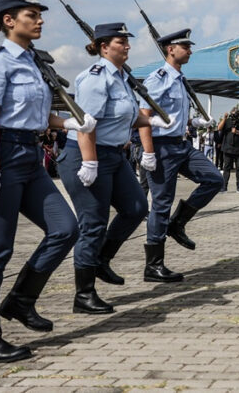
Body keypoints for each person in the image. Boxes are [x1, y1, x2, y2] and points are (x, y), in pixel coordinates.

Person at [0, 0, 95, 363]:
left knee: (66, 229)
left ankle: (21, 300)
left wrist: (69, 121)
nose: (40, 20)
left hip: (29, 155)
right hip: (1, 156)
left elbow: (37, 116)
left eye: (40, 15)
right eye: (32, 14)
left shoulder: (35, 63)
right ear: (9, 20)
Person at [57, 23, 163, 314]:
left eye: (127, 41)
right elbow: (85, 124)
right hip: (88, 154)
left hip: (115, 155)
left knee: (136, 207)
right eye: (121, 42)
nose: (127, 46)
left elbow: (125, 118)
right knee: (93, 222)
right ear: (104, 46)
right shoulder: (95, 78)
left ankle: (101, 259)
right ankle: (84, 293)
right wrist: (90, 162)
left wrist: (152, 122)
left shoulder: (121, 78)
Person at [138, 29, 218, 283]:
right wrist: (148, 152)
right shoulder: (157, 79)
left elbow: (175, 118)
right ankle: (154, 265)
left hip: (181, 145)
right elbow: (144, 119)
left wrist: (196, 122)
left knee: (214, 179)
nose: (190, 50)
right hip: (162, 148)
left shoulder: (181, 80)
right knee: (161, 204)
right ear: (171, 49)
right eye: (185, 46)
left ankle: (178, 223)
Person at [218, 108, 239, 193]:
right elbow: (219, 128)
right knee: (226, 168)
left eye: (237, 113)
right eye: (234, 113)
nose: (235, 115)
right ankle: (224, 187)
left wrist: (237, 132)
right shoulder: (227, 121)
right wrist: (224, 118)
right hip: (227, 149)